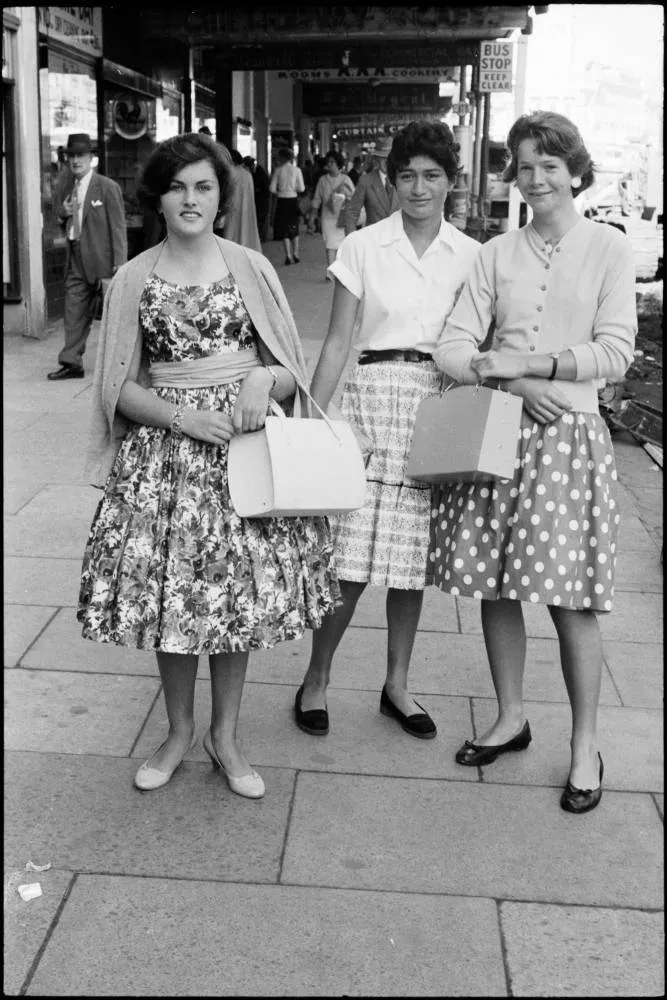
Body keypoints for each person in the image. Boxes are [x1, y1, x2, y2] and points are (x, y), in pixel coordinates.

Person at [77, 132, 339, 799]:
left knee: (233, 597)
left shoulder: (253, 267)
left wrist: (262, 381)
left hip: (244, 456)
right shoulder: (133, 278)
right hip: (166, 460)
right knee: (172, 596)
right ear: (157, 199)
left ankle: (225, 735)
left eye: (203, 187)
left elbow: (291, 367)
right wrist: (182, 415)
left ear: (221, 198)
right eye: (177, 187)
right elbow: (116, 384)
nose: (190, 199)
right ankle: (178, 731)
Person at [430, 111, 637, 814]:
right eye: (523, 166)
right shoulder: (493, 255)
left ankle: (584, 744)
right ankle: (510, 715)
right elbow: (452, 346)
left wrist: (542, 366)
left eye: (549, 164)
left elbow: (615, 353)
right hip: (500, 432)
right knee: (495, 585)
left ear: (575, 170)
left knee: (570, 598)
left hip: (570, 439)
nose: (536, 177)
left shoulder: (608, 248)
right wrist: (511, 380)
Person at [294, 121, 480, 740]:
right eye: (407, 176)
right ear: (391, 180)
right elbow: (339, 341)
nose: (419, 187)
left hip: (437, 403)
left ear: (450, 181)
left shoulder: (472, 256)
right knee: (347, 560)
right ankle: (316, 679)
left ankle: (396, 685)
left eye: (431, 175)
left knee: (409, 564)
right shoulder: (363, 247)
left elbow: (480, 343)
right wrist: (310, 423)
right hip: (372, 399)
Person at [47, 133, 127, 380]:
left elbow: (117, 227)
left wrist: (120, 265)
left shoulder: (106, 186)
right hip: (76, 259)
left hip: (103, 262)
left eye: (81, 155)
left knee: (115, 320)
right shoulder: (66, 187)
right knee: (73, 313)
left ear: (91, 158)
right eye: (71, 156)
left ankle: (123, 366)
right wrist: (64, 212)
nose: (75, 160)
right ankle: (72, 363)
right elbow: (58, 216)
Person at [340, 136, 400, 236]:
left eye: (389, 157)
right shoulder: (366, 181)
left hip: (400, 240)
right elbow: (352, 212)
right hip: (374, 240)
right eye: (382, 158)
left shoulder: (404, 178)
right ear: (376, 159)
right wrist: (351, 241)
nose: (386, 161)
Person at [309, 150, 356, 278]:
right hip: (327, 216)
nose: (329, 164)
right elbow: (317, 198)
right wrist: (312, 217)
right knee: (330, 243)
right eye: (328, 162)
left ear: (338, 164)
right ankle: (330, 271)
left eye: (332, 162)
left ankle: (340, 269)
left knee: (341, 244)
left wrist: (346, 195)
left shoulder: (346, 179)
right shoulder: (322, 180)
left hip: (342, 215)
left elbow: (354, 196)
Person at [220, 147, 262, 252]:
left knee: (231, 233)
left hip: (232, 209)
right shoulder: (247, 174)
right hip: (247, 209)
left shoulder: (229, 173)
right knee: (246, 231)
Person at [269, 147, 305, 265]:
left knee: (284, 228)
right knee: (294, 227)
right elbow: (302, 188)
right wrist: (293, 189)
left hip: (282, 200)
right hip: (293, 200)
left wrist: (280, 191)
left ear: (282, 158)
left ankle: (288, 256)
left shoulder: (278, 170)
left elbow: (272, 189)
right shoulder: (297, 170)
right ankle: (296, 253)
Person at [242, 155, 271, 242]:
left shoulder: (259, 172)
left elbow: (264, 187)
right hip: (258, 199)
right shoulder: (254, 172)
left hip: (262, 199)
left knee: (261, 219)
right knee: (259, 219)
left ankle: (261, 237)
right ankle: (259, 237)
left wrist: (256, 189)